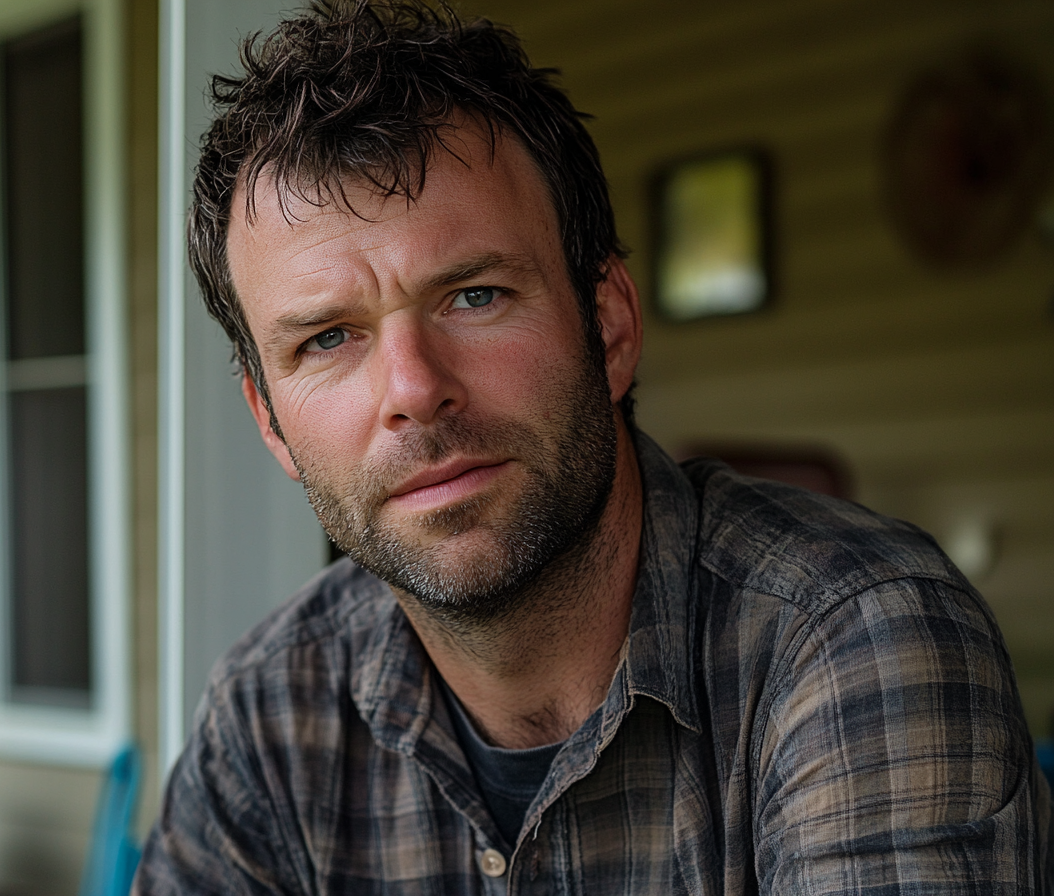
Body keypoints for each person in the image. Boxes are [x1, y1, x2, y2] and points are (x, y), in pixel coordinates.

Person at [138, 1, 1051, 892]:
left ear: (608, 325)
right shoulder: (270, 716)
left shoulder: (858, 639)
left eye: (475, 295)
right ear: (271, 422)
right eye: (328, 339)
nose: (413, 390)